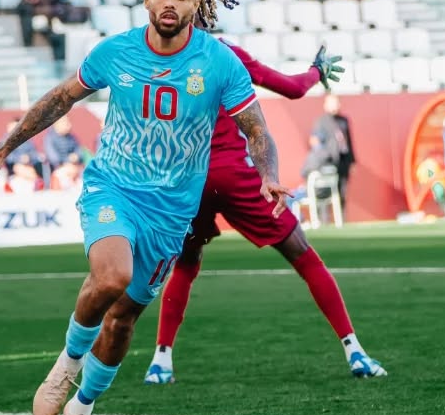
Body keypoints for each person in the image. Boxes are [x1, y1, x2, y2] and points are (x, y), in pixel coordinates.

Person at [0, 0, 288, 415]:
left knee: (121, 322)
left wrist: (268, 173)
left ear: (196, 4)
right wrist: (3, 150)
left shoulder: (219, 62)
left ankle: (81, 412)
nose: (170, 3)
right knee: (110, 276)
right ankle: (66, 366)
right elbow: (59, 99)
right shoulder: (115, 52)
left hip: (171, 211)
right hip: (113, 188)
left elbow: (258, 132)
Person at [143, 40, 383, 388]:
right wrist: (317, 71)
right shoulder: (226, 53)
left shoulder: (154, 57)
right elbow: (291, 88)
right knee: (304, 256)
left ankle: (160, 361)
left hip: (186, 179)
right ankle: (355, 351)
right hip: (232, 174)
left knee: (185, 264)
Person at [311, 94, 356, 215]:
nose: (336, 106)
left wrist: (352, 161)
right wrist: (324, 157)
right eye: (333, 103)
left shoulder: (344, 120)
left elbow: (349, 141)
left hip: (343, 160)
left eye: (337, 103)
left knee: (342, 190)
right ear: (326, 105)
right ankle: (324, 219)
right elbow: (316, 142)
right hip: (329, 162)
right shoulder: (321, 122)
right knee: (326, 191)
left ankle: (341, 218)